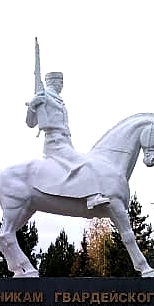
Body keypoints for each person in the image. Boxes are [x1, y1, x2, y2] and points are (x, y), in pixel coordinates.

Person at [26, 71, 109, 208]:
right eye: (60, 82)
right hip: (55, 143)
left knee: (82, 161)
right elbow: (30, 123)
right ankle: (92, 197)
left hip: (66, 142)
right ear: (53, 82)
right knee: (84, 163)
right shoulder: (44, 96)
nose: (62, 85)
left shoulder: (58, 99)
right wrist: (32, 106)